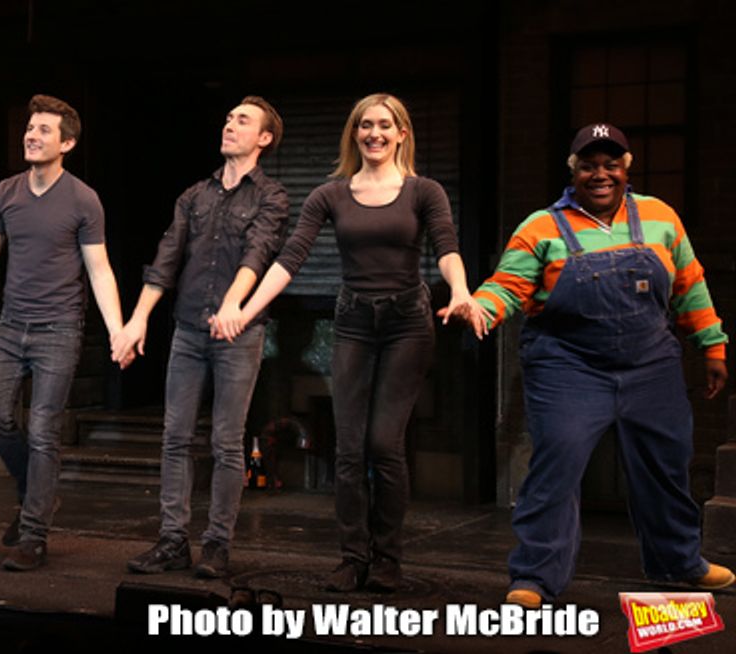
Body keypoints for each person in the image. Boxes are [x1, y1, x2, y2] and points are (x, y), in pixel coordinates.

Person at [449, 123, 732, 608]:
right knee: (556, 467)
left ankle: (679, 561)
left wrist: (712, 345)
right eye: (588, 165)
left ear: (626, 168)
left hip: (651, 366)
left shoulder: (660, 217)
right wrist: (480, 307)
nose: (599, 174)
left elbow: (690, 282)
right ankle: (535, 578)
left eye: (610, 164)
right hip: (569, 368)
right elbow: (507, 286)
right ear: (573, 170)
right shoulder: (540, 227)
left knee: (666, 467)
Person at [233, 93, 475, 592]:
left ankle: (387, 558)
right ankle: (351, 558)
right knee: (347, 448)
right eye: (366, 125)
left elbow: (446, 247)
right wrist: (247, 307)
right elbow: (291, 257)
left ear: (402, 133)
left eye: (385, 125)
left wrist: (462, 290)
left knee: (384, 444)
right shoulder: (332, 194)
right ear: (355, 134)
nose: (374, 134)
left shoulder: (423, 191)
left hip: (407, 323)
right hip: (353, 322)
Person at [0, 94, 126, 572]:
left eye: (44, 130)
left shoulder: (82, 199)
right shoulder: (6, 192)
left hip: (59, 328)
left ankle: (33, 535)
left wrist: (117, 329)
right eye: (29, 128)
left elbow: (99, 270)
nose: (31, 135)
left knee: (44, 431)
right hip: (11, 326)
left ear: (67, 142)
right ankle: (34, 493)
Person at [115, 96, 289, 578]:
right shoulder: (195, 195)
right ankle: (172, 540)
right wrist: (138, 319)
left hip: (239, 333)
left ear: (265, 138)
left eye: (243, 120)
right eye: (230, 117)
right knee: (174, 437)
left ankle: (217, 545)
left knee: (227, 442)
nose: (230, 124)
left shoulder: (271, 196)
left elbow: (259, 253)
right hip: (189, 329)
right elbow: (166, 257)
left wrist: (234, 305)